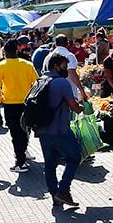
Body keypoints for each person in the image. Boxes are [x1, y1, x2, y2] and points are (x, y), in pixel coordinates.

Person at [33, 54, 84, 207]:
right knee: (75, 157)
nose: (66, 70)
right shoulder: (62, 82)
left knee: (50, 163)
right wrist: (81, 107)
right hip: (60, 130)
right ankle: (63, 190)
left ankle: (55, 196)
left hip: (42, 130)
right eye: (64, 66)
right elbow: (74, 106)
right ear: (56, 66)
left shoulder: (40, 80)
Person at [0, 40, 39, 173]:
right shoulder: (27, 65)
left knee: (15, 133)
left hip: (10, 104)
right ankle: (22, 154)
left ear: (4, 52)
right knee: (25, 130)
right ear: (17, 50)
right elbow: (37, 83)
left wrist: (0, 98)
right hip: (25, 103)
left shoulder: (0, 66)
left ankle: (20, 161)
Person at [46, 34, 89, 100]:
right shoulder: (69, 56)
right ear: (68, 43)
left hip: (52, 92)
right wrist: (82, 91)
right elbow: (72, 73)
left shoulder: (48, 57)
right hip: (68, 93)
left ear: (55, 44)